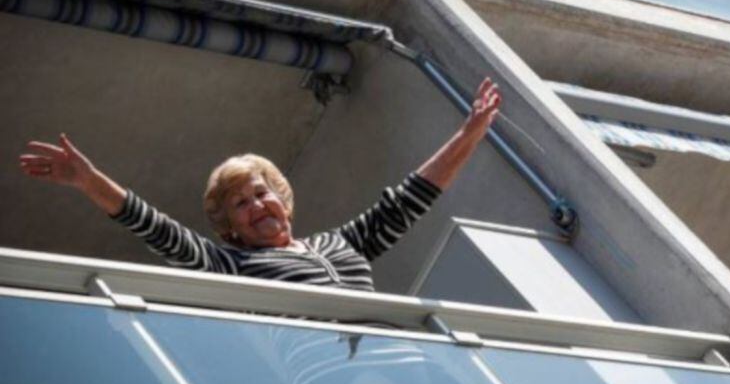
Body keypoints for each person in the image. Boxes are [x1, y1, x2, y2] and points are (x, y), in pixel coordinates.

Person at [18, 77, 501, 292]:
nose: (256, 204)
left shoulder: (343, 244)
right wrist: (89, 181)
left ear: (284, 203)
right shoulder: (232, 262)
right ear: (230, 228)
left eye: (261, 192)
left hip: (405, 355)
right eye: (240, 203)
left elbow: (410, 198)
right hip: (335, 373)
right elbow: (159, 231)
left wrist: (469, 134)